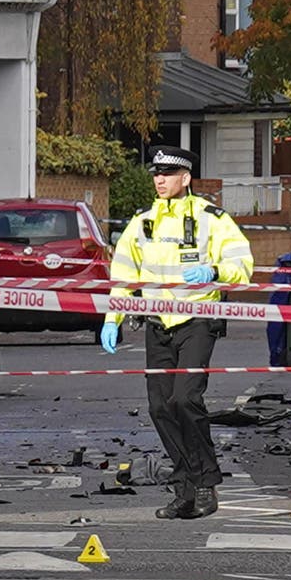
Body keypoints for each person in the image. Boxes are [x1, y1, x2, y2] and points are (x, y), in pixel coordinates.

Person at [100, 146, 253, 520]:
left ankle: (205, 483)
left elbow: (242, 263)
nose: (159, 180)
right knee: (159, 407)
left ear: (185, 178)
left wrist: (214, 272)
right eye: (156, 173)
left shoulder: (211, 219)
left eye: (167, 174)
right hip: (158, 323)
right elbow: (123, 273)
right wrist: (112, 318)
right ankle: (185, 490)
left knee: (184, 400)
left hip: (198, 319)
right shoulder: (143, 221)